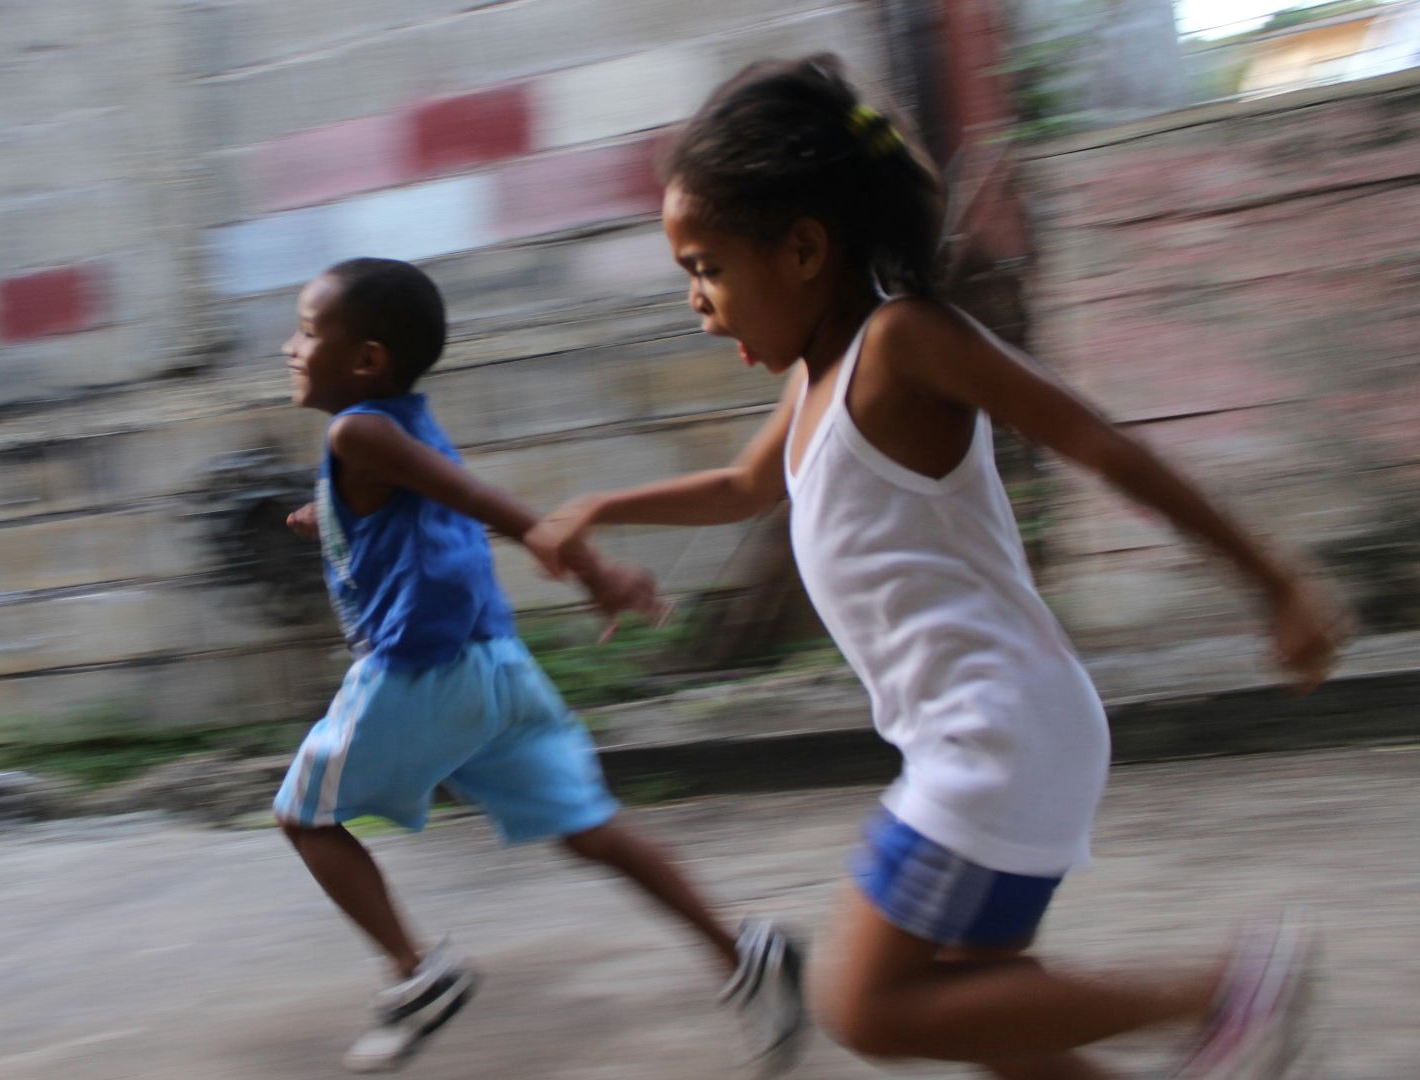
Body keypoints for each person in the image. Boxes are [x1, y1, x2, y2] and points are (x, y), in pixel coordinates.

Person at [526, 55, 1351, 1080]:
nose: (697, 301)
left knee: (861, 1002)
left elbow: (1100, 443)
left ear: (803, 249)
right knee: (984, 1017)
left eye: (706, 266)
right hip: (988, 732)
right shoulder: (817, 381)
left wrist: (1274, 582)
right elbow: (745, 486)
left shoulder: (903, 343)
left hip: (994, 730)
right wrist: (599, 508)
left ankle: (1226, 992)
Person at [273, 256, 807, 1074]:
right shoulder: (395, 427)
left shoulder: (357, 431)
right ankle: (741, 951)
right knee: (588, 824)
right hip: (498, 668)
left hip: (421, 674)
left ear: (367, 360)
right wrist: (333, 516)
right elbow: (426, 503)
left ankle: (416, 975)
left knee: (304, 817)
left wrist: (591, 564)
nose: (291, 346)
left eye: (309, 332)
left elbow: (483, 503)